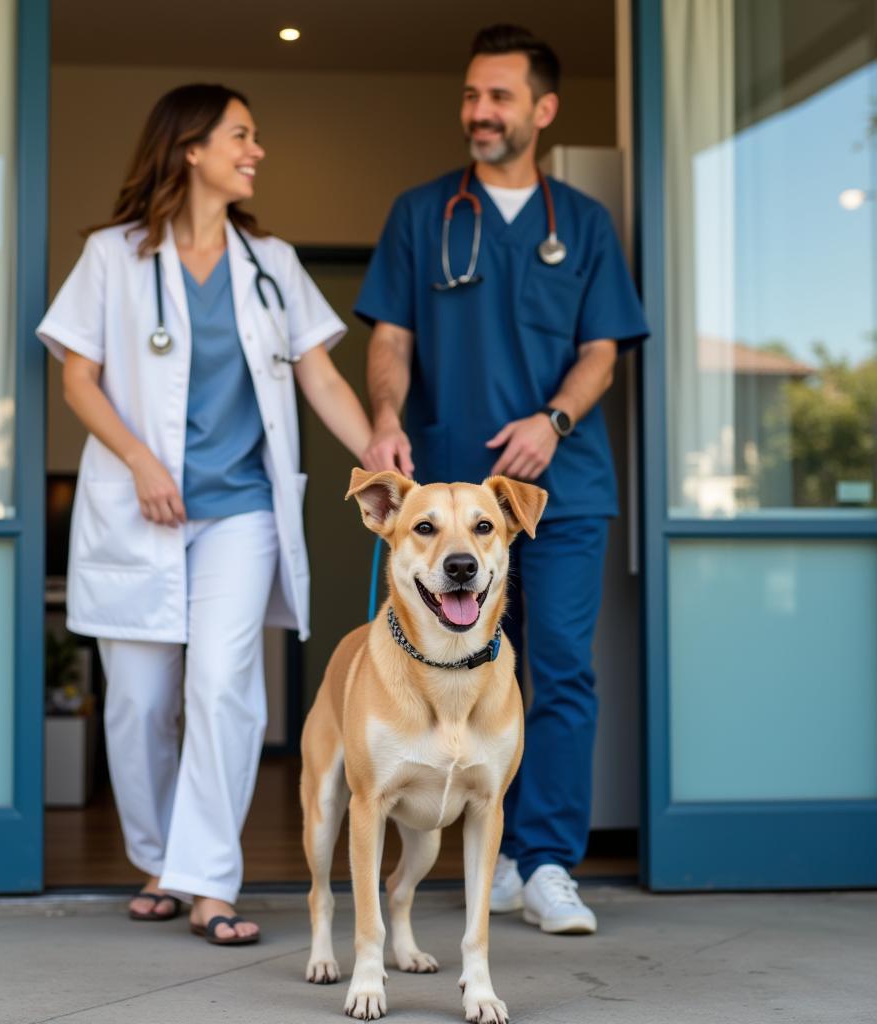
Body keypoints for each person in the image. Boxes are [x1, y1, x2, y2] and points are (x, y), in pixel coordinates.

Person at [37, 84, 372, 945]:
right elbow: (77, 376)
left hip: (242, 512)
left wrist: (376, 451)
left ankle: (210, 882)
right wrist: (142, 461)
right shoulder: (113, 258)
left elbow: (320, 376)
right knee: (140, 703)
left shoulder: (273, 264)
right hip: (142, 508)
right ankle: (158, 861)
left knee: (224, 687)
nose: (256, 151)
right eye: (242, 136)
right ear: (190, 148)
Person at [356, 25, 649, 935]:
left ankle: (544, 859)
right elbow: (391, 337)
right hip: (447, 494)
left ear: (543, 110)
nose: (479, 113)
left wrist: (552, 423)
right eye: (471, 96)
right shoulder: (422, 215)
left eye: (500, 98)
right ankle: (445, 839)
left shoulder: (584, 226)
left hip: (561, 489)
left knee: (557, 668)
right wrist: (385, 419)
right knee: (432, 664)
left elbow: (604, 351)